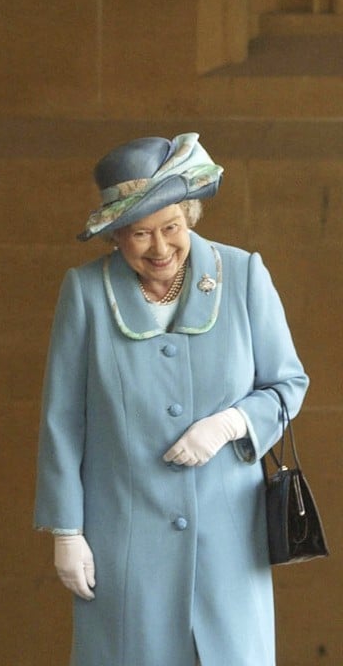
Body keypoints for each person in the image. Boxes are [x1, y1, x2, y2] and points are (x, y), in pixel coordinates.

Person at [34, 133, 308, 666]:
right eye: (140, 234)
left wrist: (228, 424)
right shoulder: (87, 293)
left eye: (171, 228)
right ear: (115, 237)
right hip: (123, 539)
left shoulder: (243, 274)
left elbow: (287, 385)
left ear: (190, 215)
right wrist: (66, 531)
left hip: (229, 538)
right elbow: (63, 420)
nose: (159, 249)